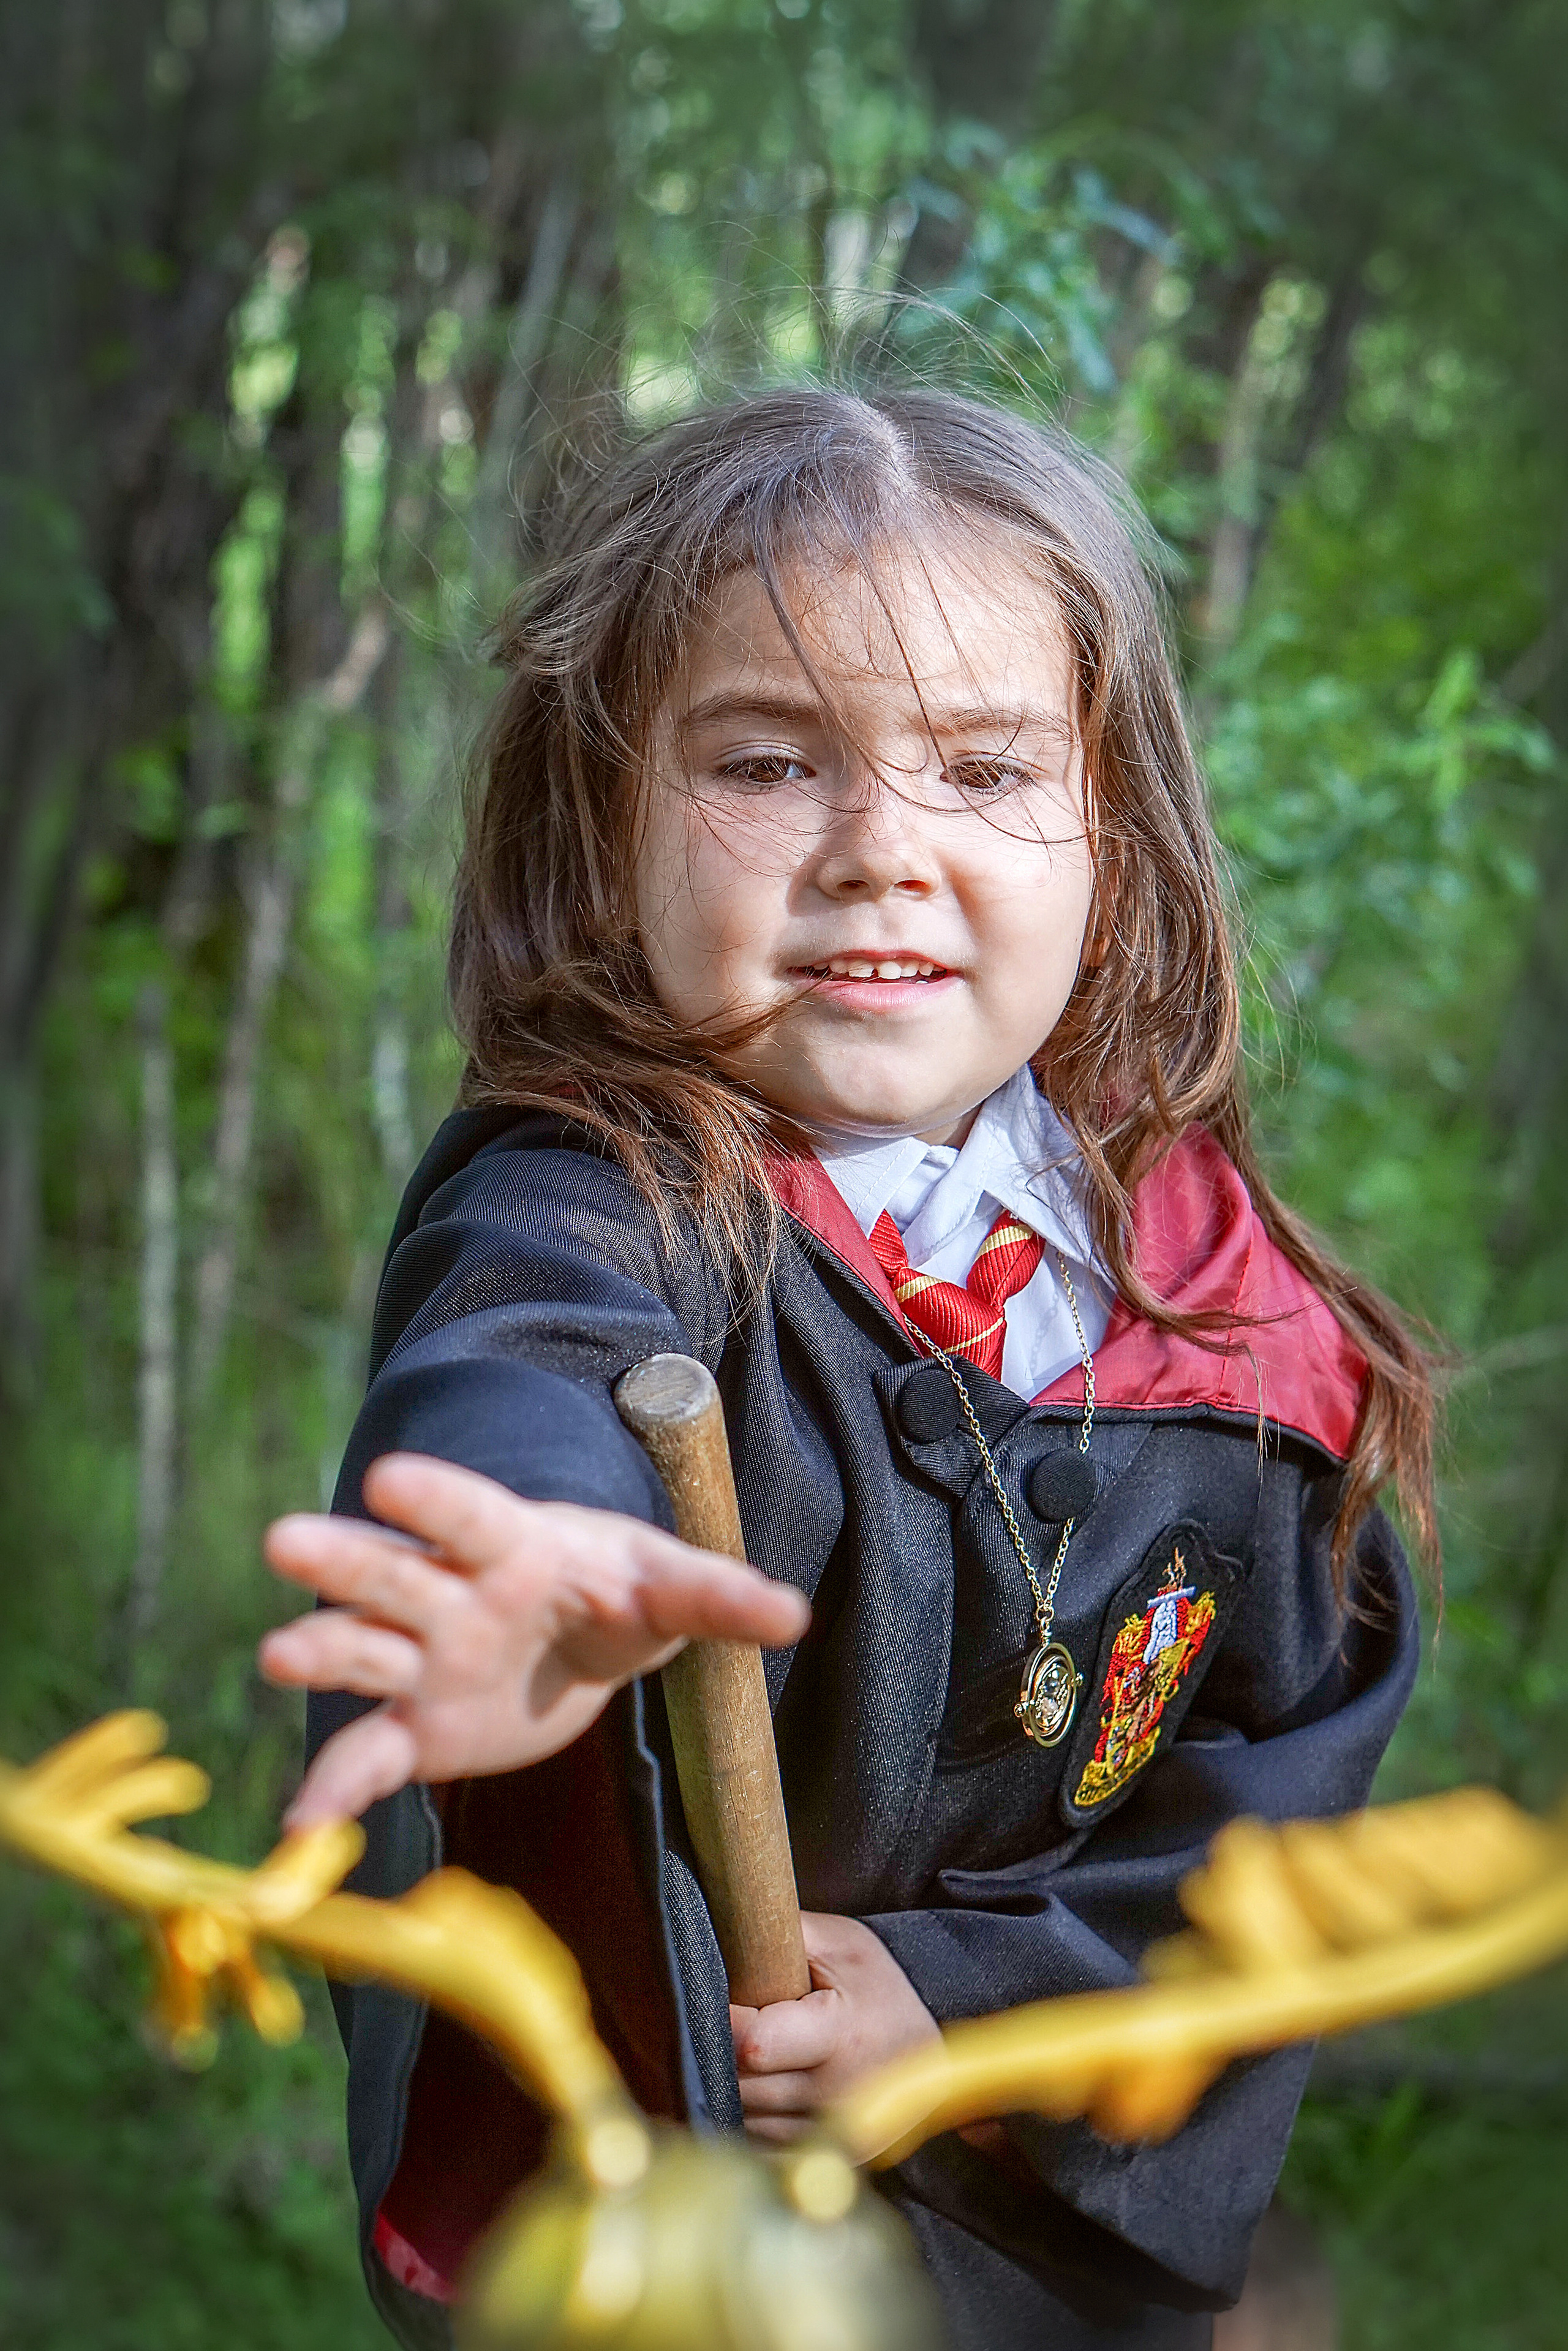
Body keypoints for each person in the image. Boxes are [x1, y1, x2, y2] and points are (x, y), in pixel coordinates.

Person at [258, 387, 1432, 2351]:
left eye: (983, 768)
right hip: (694, 2249)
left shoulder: (1232, 1331)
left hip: (1031, 2254)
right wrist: (522, 1546)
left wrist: (968, 2003)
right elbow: (519, 1364)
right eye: (770, 762)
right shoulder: (610, 1190)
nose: (882, 850)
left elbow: (1269, 1819)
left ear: (1110, 848)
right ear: (604, 821)